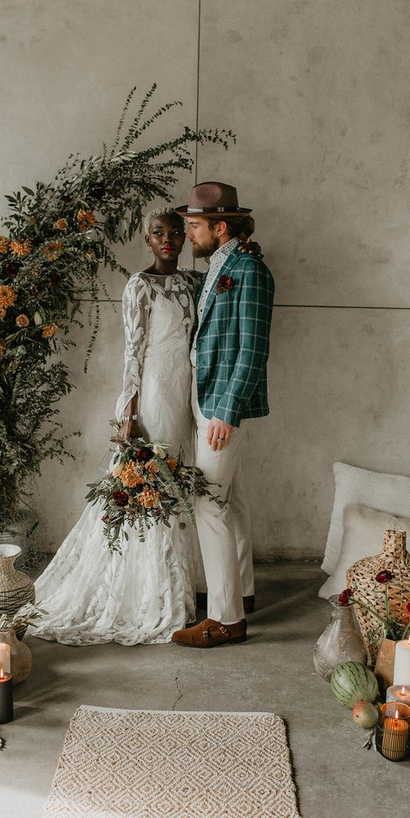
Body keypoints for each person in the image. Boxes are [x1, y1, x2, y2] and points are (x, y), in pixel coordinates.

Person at [30, 206, 260, 646]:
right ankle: (151, 592)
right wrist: (129, 408)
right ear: (148, 239)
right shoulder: (140, 285)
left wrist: (246, 247)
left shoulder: (196, 280)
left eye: (177, 232)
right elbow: (132, 351)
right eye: (160, 233)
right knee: (156, 483)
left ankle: (193, 585)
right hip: (155, 394)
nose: (170, 239)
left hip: (194, 394)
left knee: (190, 485)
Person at [172, 182, 275, 649]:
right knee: (229, 500)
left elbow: (253, 351)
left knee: (207, 503)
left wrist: (226, 413)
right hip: (203, 396)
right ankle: (243, 591)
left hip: (221, 405)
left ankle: (226, 618)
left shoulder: (250, 270)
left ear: (220, 226)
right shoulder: (219, 265)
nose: (187, 234)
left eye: (194, 226)